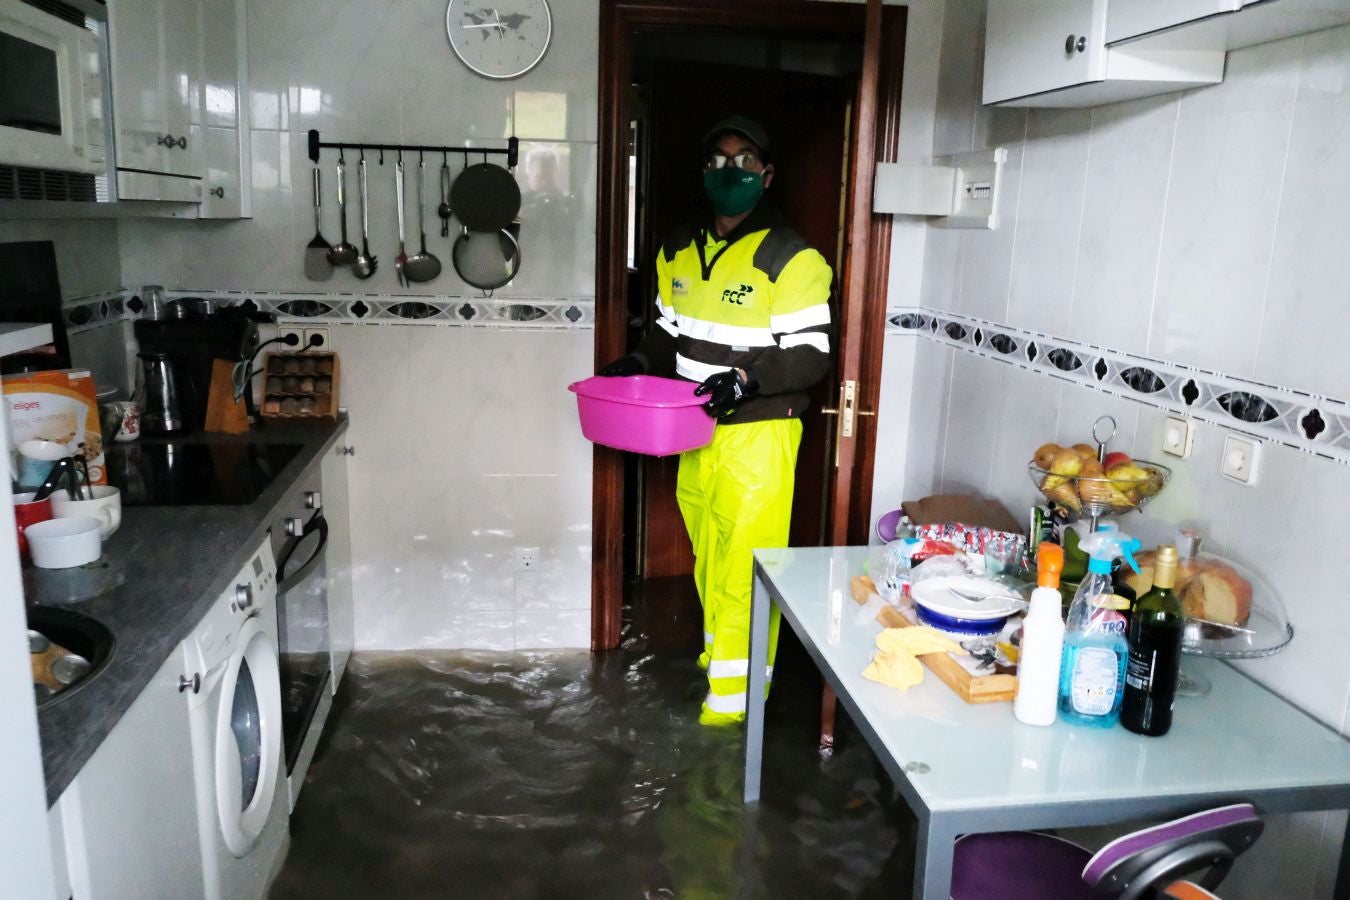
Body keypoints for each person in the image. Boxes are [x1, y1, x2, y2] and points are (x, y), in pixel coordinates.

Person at [599, 115, 834, 725]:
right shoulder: (678, 247)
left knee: (747, 566)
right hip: (694, 429)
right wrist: (636, 361)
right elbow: (667, 336)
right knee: (709, 555)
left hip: (759, 432)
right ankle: (723, 661)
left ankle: (737, 702)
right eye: (720, 160)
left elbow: (811, 353)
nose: (732, 171)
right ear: (704, 172)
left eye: (745, 160)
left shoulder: (792, 256)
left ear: (767, 174)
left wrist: (748, 381)